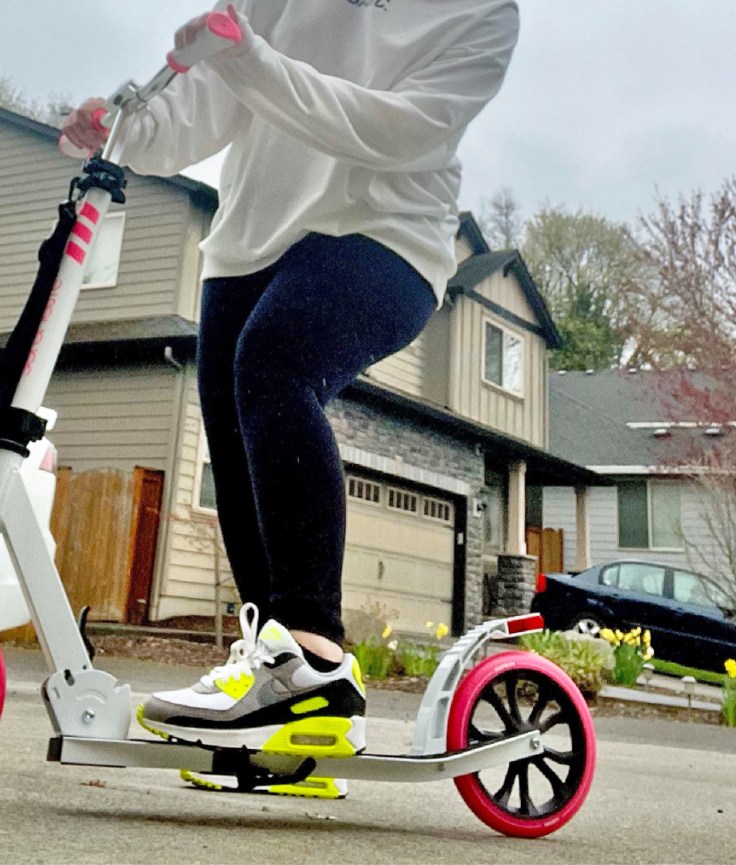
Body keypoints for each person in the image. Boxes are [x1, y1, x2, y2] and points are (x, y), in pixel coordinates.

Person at [62, 0, 519, 796]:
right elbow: (208, 103)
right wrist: (124, 132)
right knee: (234, 425)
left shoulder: (483, 13)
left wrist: (252, 62)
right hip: (249, 237)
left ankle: (313, 660)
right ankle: (276, 692)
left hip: (387, 234)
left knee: (275, 365)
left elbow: (400, 131)